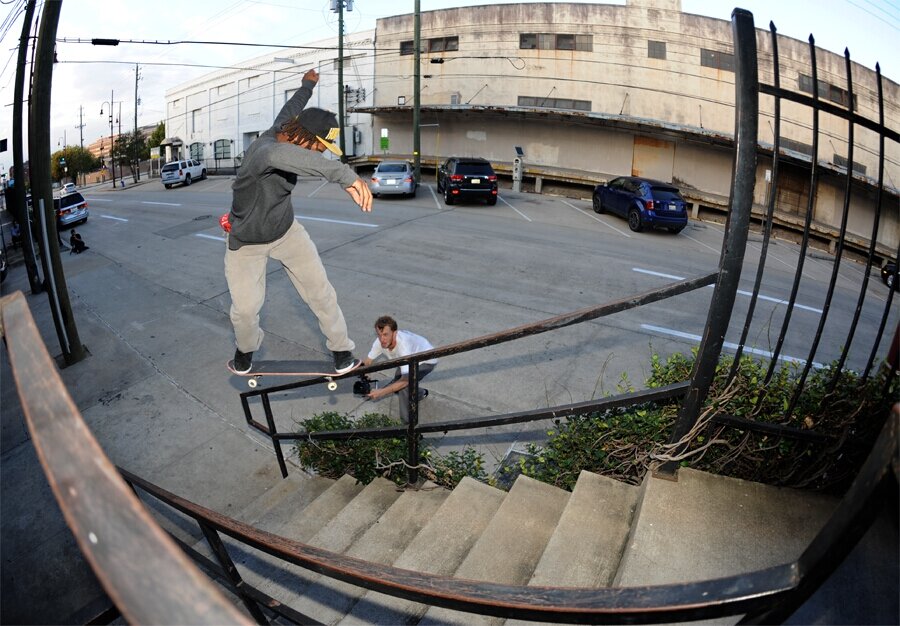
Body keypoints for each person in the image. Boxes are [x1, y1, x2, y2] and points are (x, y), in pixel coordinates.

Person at [223, 68, 373, 375]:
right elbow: (300, 159)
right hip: (246, 244)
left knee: (320, 291)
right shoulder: (265, 152)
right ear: (302, 139)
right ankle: (246, 348)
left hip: (287, 232)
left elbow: (293, 107)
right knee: (246, 311)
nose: (318, 155)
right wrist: (345, 176)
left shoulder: (286, 126)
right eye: (319, 148)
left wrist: (308, 85)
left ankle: (342, 349)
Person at [362, 316, 438, 422]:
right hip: (409, 359)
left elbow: (404, 381)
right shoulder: (379, 342)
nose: (382, 339)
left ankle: (408, 427)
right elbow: (368, 361)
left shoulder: (403, 347)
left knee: (403, 387)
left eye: (385, 335)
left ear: (395, 333)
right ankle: (420, 393)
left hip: (426, 360)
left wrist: (381, 392)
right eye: (379, 335)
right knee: (397, 383)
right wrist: (363, 373)